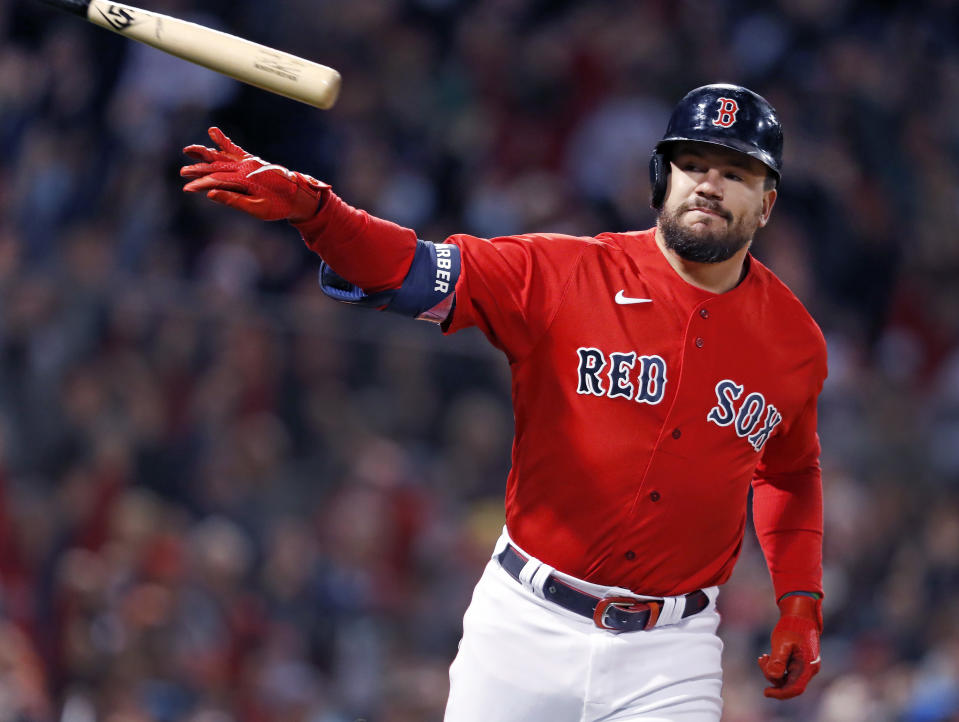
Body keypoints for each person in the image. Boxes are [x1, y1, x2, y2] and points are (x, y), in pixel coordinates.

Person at [180, 83, 825, 721]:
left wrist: (799, 602)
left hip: (670, 655)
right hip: (525, 627)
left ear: (766, 203)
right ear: (662, 177)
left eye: (735, 171)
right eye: (693, 163)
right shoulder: (565, 273)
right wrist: (317, 212)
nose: (709, 184)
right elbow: (408, 267)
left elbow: (790, 471)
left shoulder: (795, 342)